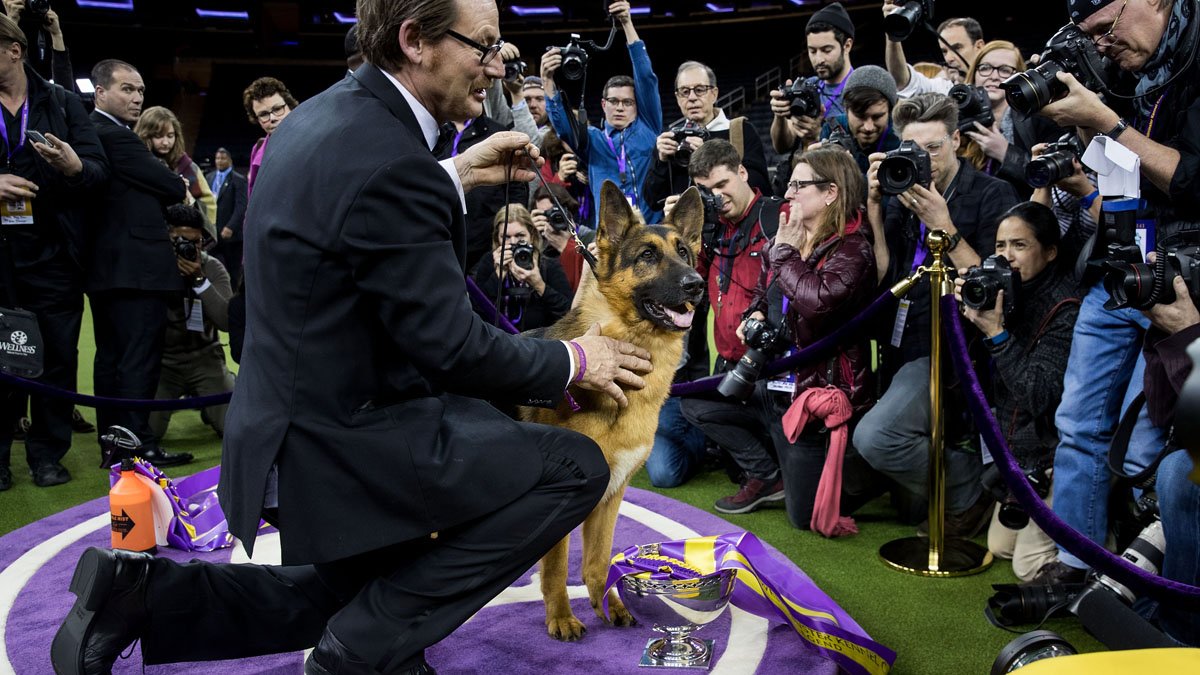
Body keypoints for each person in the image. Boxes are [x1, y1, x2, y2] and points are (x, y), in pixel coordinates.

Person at [52, 3, 652, 675]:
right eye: (483, 47)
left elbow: (350, 206)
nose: (496, 67)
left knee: (361, 594)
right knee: (573, 466)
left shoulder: (322, 116)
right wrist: (576, 357)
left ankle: (138, 597)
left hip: (288, 420)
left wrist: (451, 175)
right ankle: (358, 655)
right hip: (345, 435)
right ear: (415, 40)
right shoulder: (390, 157)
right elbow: (450, 345)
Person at [1024, 0, 1200, 585]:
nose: (1101, 43)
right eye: (1090, 34)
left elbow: (1193, 180)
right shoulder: (1128, 70)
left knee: (1161, 453)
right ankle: (1079, 567)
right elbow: (1110, 161)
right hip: (1117, 261)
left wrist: (1106, 122)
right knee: (1077, 423)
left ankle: (1150, 585)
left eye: (1106, 27)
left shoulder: (1193, 57)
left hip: (1181, 282)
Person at [854, 92, 1020, 537]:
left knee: (875, 438)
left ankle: (972, 488)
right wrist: (874, 208)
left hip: (961, 351)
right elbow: (884, 273)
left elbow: (1000, 285)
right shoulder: (899, 190)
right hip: (902, 342)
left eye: (933, 148)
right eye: (912, 149)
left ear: (957, 141)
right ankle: (958, 485)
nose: (922, 159)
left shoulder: (992, 193)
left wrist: (944, 225)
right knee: (885, 494)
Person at [740, 147, 877, 532]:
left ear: (831, 192)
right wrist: (755, 313)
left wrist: (784, 254)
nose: (789, 194)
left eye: (800, 185)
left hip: (822, 389)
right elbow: (762, 290)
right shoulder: (788, 236)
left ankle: (880, 475)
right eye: (790, 184)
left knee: (802, 518)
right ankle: (774, 470)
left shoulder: (854, 248)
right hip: (779, 379)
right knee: (702, 404)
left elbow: (817, 302)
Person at [0, 15, 106, 490]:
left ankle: (47, 455)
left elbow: (99, 171)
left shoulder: (61, 102)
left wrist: (75, 165)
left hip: (54, 255)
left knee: (59, 358)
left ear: (14, 50)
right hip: (0, 258)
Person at [954, 202, 1080, 580]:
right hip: (1017, 450)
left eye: (1019, 246)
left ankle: (1098, 541)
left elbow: (1037, 395)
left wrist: (996, 333)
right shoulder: (1000, 293)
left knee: (1028, 568)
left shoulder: (1065, 307)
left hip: (1054, 453)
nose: (1006, 257)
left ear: (1050, 251)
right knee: (1000, 548)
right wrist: (969, 315)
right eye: (1000, 245)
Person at [87, 58, 193, 468]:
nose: (136, 97)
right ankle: (137, 445)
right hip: (136, 269)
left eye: (141, 91)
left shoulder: (96, 134)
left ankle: (116, 446)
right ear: (100, 92)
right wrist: (172, 187)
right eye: (127, 89)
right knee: (136, 359)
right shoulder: (116, 137)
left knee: (112, 358)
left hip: (110, 269)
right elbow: (170, 186)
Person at [677, 139, 789, 513]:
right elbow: (691, 284)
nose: (717, 197)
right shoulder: (712, 230)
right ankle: (765, 474)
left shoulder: (778, 216)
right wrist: (680, 234)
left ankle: (778, 472)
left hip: (776, 366)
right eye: (706, 191)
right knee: (693, 405)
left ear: (742, 173)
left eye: (722, 185)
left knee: (803, 499)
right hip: (729, 365)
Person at [541, 1, 663, 221]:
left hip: (650, 234)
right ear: (603, 104)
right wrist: (547, 80)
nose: (619, 107)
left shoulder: (650, 127)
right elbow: (563, 127)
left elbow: (646, 77)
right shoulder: (592, 142)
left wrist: (626, 23)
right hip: (611, 242)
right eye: (614, 101)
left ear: (637, 105)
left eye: (627, 102)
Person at [148, 204, 236, 441]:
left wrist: (199, 280)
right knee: (148, 434)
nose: (188, 248)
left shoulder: (211, 266)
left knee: (232, 429)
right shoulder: (153, 265)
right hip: (164, 364)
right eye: (179, 241)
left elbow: (225, 322)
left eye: (195, 242)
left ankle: (225, 384)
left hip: (205, 357)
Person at [644, 60, 771, 210]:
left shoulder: (741, 131)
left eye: (699, 89)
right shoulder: (670, 141)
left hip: (731, 228)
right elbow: (653, 202)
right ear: (678, 99)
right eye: (684, 92)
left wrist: (710, 155)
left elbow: (761, 187)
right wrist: (661, 163)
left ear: (714, 94)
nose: (691, 97)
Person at [959, 41, 1064, 197]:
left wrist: (1005, 153)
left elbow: (1055, 184)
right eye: (985, 68)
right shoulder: (957, 119)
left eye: (1004, 70)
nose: (994, 76)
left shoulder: (1040, 121)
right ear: (974, 74)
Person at [769, 2, 856, 154]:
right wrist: (780, 116)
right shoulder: (806, 86)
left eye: (826, 50)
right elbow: (781, 147)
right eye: (812, 51)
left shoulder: (863, 86)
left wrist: (818, 134)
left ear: (847, 46)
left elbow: (866, 146)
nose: (819, 59)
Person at [470, 203, 573, 331]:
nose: (513, 242)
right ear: (497, 238)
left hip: (538, 344)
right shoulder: (489, 263)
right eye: (506, 237)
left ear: (532, 235)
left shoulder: (548, 266)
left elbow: (568, 314)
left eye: (520, 236)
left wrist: (539, 285)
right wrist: (497, 276)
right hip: (499, 342)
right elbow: (476, 314)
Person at [134, 106, 217, 226]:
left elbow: (208, 204)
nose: (166, 142)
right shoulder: (135, 165)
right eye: (158, 136)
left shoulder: (187, 166)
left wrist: (188, 200)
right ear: (145, 135)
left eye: (170, 135)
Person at [815, 65, 902, 175]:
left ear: (890, 111)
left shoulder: (900, 134)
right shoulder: (831, 128)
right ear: (845, 109)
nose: (868, 127)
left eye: (877, 117)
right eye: (860, 117)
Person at [883, 5, 986, 92]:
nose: (948, 58)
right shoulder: (940, 89)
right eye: (944, 52)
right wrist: (892, 34)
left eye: (957, 48)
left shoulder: (998, 82)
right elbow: (902, 81)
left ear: (979, 47)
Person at [242, 76, 297, 196]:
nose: (272, 118)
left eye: (277, 109)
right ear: (257, 119)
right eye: (263, 114)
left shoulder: (314, 140)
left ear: (290, 106)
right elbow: (253, 198)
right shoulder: (257, 149)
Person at [205, 147, 248, 287]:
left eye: (223, 158)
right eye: (217, 158)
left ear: (229, 160)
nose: (219, 161)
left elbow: (241, 206)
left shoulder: (238, 179)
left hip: (231, 235)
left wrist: (231, 226)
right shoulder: (209, 177)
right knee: (209, 266)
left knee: (233, 271)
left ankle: (235, 299)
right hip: (212, 232)